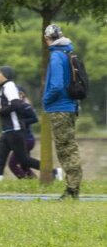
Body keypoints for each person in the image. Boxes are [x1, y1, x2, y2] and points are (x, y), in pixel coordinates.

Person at [42, 24, 82, 200]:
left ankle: (72, 189)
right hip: (69, 106)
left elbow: (57, 85)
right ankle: (72, 187)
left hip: (60, 108)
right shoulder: (67, 52)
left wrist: (46, 100)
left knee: (66, 149)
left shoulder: (56, 56)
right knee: (69, 147)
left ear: (47, 38)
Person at [0, 66, 40, 179]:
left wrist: (0, 110)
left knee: (23, 160)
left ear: (5, 75)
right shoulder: (4, 87)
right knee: (0, 157)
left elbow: (16, 104)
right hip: (7, 130)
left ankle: (52, 171)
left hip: (14, 129)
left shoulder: (9, 86)